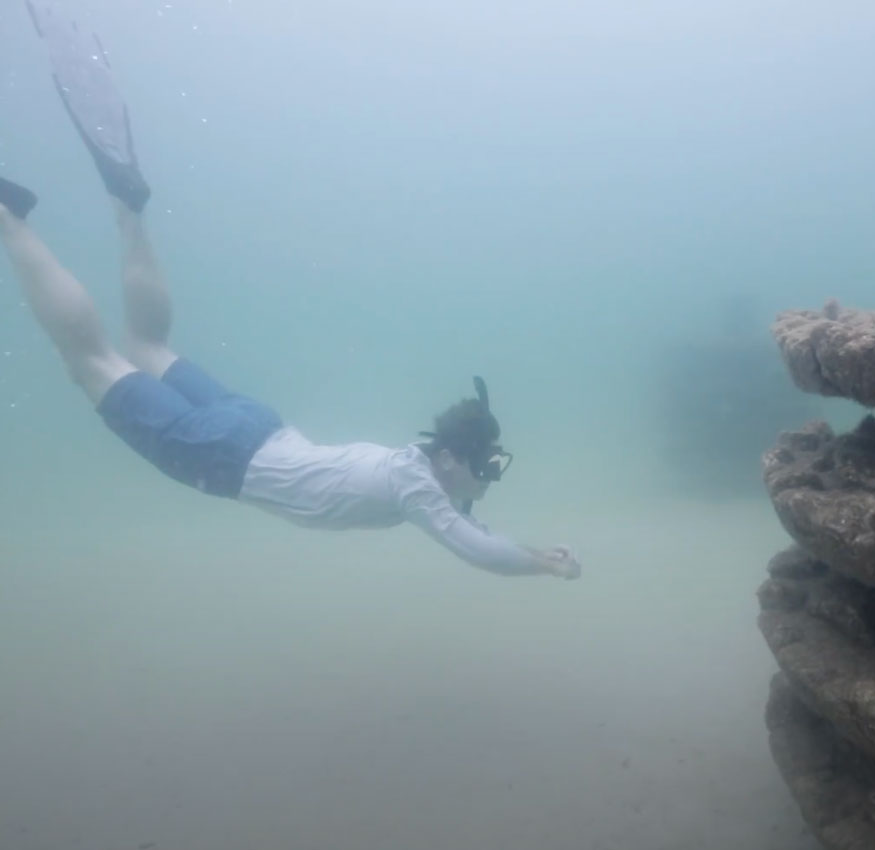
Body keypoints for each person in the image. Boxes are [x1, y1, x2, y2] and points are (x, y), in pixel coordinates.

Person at [1, 2, 581, 580]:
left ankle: (129, 207)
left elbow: (470, 526)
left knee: (148, 346)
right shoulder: (418, 488)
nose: (491, 479)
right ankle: (10, 215)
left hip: (254, 427)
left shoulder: (418, 473)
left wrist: (533, 550)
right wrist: (544, 567)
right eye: (490, 467)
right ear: (450, 459)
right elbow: (473, 548)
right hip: (226, 452)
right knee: (92, 360)